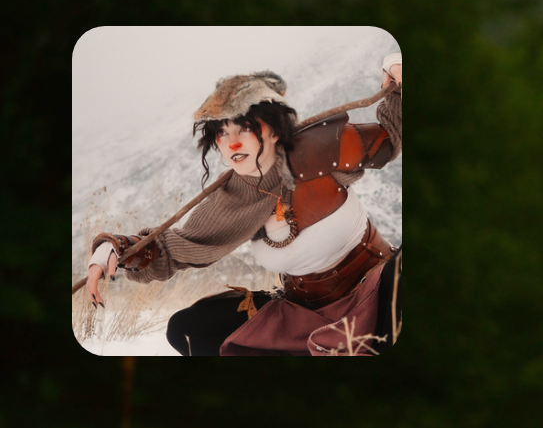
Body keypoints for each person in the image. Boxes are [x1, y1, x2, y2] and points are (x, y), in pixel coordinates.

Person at [85, 52, 404, 356]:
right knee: (187, 328)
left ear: (275, 129)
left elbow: (392, 135)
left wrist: (395, 69)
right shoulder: (232, 197)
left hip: (378, 294)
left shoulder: (320, 150)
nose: (232, 143)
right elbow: (172, 248)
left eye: (245, 129)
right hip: (305, 315)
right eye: (222, 133)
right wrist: (116, 249)